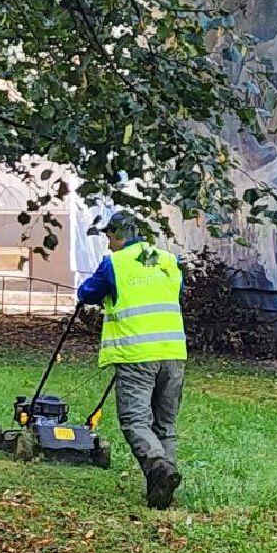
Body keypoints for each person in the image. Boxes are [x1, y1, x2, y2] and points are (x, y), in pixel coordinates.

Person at [76, 211, 186, 509]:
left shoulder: (116, 263)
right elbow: (177, 291)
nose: (108, 244)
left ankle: (159, 467)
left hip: (137, 354)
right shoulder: (167, 260)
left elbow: (87, 293)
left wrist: (93, 294)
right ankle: (162, 486)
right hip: (174, 353)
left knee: (135, 420)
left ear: (118, 235)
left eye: (109, 237)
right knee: (165, 424)